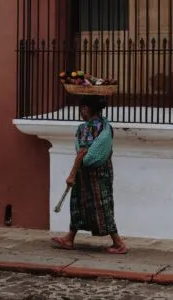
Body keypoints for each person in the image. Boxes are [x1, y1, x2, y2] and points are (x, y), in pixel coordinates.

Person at [51, 95, 127, 254]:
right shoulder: (105, 125)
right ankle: (69, 238)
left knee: (93, 205)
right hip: (104, 171)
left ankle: (119, 243)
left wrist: (72, 174)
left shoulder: (87, 127)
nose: (81, 112)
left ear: (87, 108)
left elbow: (82, 152)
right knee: (97, 203)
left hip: (88, 175)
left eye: (82, 108)